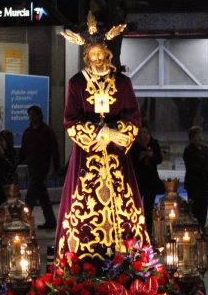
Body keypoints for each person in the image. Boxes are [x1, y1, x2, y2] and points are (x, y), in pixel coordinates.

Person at [55, 34, 148, 266]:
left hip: (116, 157)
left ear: (109, 55)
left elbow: (134, 117)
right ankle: (80, 259)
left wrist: (117, 134)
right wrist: (103, 134)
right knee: (83, 206)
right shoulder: (76, 83)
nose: (98, 59)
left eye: (101, 54)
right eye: (93, 55)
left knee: (125, 204)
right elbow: (70, 120)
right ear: (87, 57)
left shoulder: (123, 83)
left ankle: (128, 257)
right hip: (87, 158)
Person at [19, 105, 59, 230]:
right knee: (42, 195)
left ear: (38, 115)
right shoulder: (28, 132)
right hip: (32, 166)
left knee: (31, 194)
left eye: (33, 114)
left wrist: (55, 168)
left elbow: (54, 150)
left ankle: (23, 219)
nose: (30, 117)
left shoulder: (47, 131)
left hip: (42, 167)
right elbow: (23, 150)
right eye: (29, 115)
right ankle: (50, 220)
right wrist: (15, 163)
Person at [130, 120, 164, 237]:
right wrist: (139, 157)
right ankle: (137, 232)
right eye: (140, 132)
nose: (142, 134)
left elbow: (159, 159)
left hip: (150, 180)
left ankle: (148, 233)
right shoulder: (133, 144)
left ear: (147, 131)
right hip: (138, 180)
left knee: (148, 208)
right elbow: (130, 161)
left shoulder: (153, 142)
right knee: (136, 208)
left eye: (144, 132)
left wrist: (151, 156)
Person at [183, 126, 208, 229]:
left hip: (204, 183)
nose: (200, 138)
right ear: (192, 138)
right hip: (194, 183)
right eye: (197, 136)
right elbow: (192, 167)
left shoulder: (205, 149)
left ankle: (202, 228)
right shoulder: (188, 150)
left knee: (204, 207)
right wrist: (204, 169)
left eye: (200, 135)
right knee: (195, 207)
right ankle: (195, 228)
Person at [0, 130, 18, 213]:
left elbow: (12, 168)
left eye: (2, 140)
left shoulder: (13, 153)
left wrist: (3, 157)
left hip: (8, 184)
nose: (0, 143)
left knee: (9, 207)